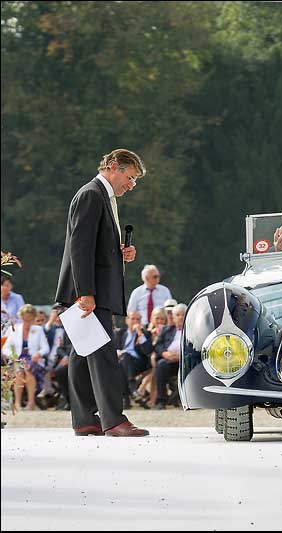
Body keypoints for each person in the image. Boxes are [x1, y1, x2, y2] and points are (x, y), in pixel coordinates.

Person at [54, 148, 149, 437]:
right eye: (130, 178)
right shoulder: (92, 194)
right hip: (90, 293)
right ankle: (113, 421)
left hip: (94, 290)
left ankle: (84, 420)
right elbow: (79, 248)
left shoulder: (100, 195)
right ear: (113, 167)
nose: (131, 185)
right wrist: (85, 293)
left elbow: (93, 245)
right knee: (104, 355)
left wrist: (121, 252)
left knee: (83, 354)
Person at [2, 304, 49, 411]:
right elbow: (5, 348)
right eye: (25, 319)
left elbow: (45, 348)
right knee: (19, 371)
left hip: (33, 360)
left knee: (28, 370)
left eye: (30, 319)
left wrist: (39, 354)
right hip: (17, 359)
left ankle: (31, 403)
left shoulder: (38, 330)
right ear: (21, 318)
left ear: (33, 318)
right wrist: (13, 356)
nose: (27, 322)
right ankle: (18, 403)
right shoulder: (14, 329)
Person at [114, 310, 153, 410]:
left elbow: (148, 351)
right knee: (122, 362)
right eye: (133, 319)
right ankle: (132, 392)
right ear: (127, 320)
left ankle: (127, 396)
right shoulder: (119, 333)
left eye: (138, 319)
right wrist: (119, 352)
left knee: (125, 359)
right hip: (124, 362)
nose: (135, 321)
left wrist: (140, 334)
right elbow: (114, 349)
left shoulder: (145, 334)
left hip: (140, 363)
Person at [153, 303, 186, 409]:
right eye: (178, 315)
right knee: (161, 364)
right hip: (169, 360)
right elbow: (158, 345)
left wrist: (181, 355)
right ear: (173, 317)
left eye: (183, 314)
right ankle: (161, 401)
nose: (180, 317)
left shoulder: (192, 331)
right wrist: (164, 353)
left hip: (185, 361)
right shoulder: (167, 330)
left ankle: (184, 399)